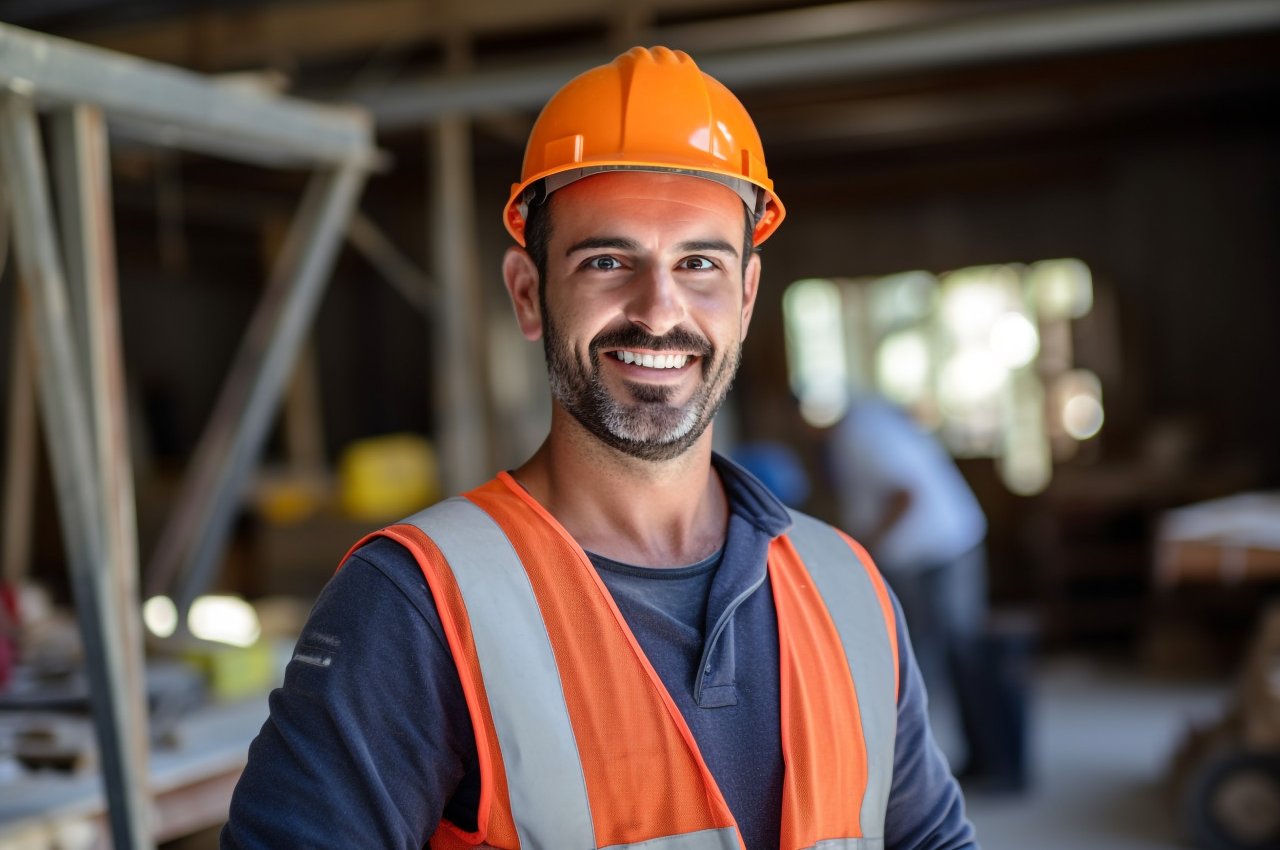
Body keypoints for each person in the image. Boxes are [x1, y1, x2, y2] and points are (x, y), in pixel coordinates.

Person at [223, 47, 977, 850]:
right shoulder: (417, 604)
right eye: (608, 261)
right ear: (527, 292)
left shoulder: (850, 591)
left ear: (747, 296)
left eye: (699, 263)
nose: (659, 311)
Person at [828, 396, 1025, 793]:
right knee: (945, 658)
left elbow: (907, 494)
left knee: (948, 659)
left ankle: (986, 767)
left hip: (938, 553)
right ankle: (981, 761)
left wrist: (863, 550)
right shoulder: (866, 425)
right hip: (936, 551)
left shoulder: (857, 433)